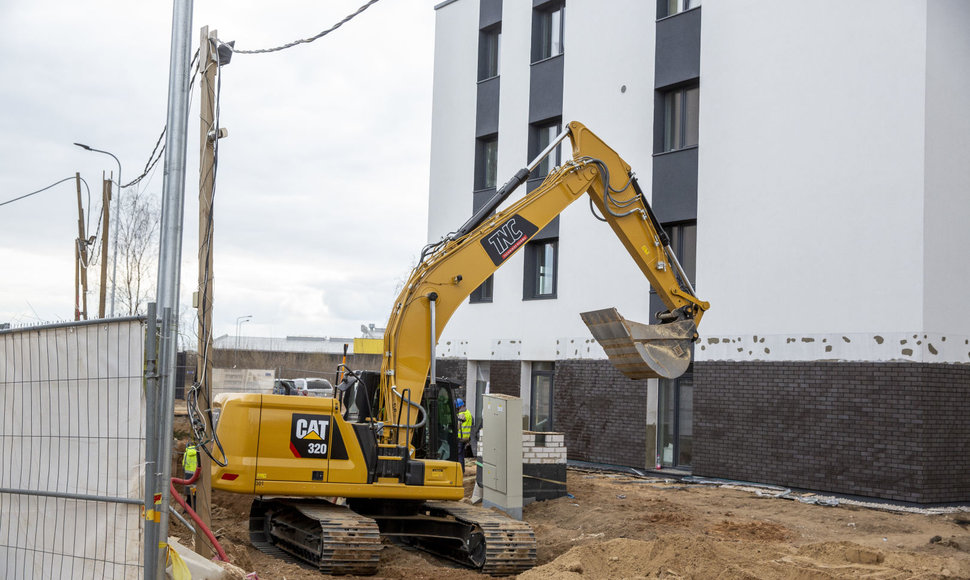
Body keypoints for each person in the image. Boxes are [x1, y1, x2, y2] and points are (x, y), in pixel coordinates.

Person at [182, 443, 198, 510]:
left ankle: (186, 509)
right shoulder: (198, 453)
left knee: (189, 493)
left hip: (188, 475)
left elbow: (183, 464)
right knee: (194, 493)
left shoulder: (186, 454)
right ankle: (194, 509)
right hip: (196, 475)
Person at [456, 398, 472, 466]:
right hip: (466, 438)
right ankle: (462, 470)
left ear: (459, 406)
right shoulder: (468, 412)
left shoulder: (461, 414)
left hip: (461, 438)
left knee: (459, 455)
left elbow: (458, 427)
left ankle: (460, 470)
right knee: (462, 455)